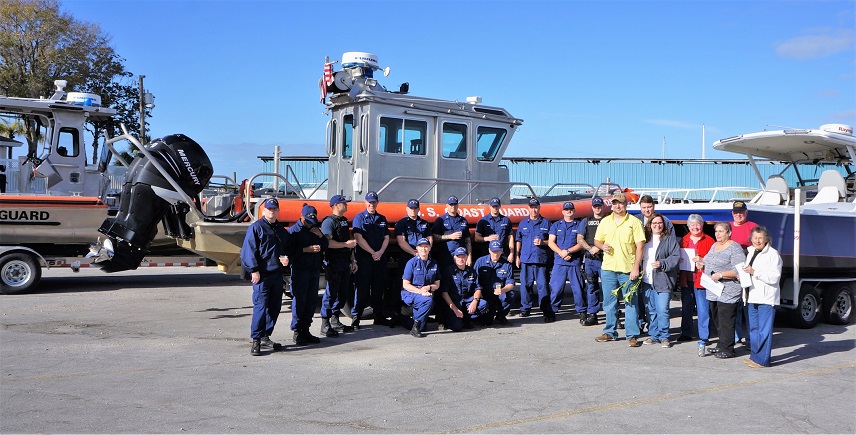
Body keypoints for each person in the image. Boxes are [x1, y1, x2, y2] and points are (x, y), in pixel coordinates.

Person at [593, 192, 646, 347]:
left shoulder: (634, 222)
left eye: (621, 203)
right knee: (609, 303)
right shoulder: (605, 222)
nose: (618, 206)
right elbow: (596, 240)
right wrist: (602, 246)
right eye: (615, 203)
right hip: (608, 268)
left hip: (627, 270)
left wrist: (636, 267)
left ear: (626, 205)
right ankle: (610, 332)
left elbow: (640, 246)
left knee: (630, 303)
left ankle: (632, 335)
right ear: (611, 205)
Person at [240, 198, 290, 356]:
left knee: (274, 307)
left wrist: (286, 259)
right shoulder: (256, 227)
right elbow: (248, 251)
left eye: (274, 209)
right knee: (260, 308)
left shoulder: (281, 230)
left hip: (276, 275)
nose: (272, 211)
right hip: (262, 275)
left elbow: (286, 249)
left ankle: (265, 336)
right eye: (269, 209)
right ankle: (256, 340)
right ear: (263, 210)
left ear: (278, 211)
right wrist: (254, 270)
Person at [696, 222, 745, 358]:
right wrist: (701, 263)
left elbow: (739, 269)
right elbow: (708, 260)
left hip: (728, 290)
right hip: (713, 289)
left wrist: (721, 274)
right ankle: (721, 345)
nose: (717, 234)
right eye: (716, 231)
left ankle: (728, 349)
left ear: (729, 233)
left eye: (721, 231)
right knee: (717, 319)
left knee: (726, 320)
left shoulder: (735, 248)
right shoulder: (714, 245)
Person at [633, 195, 674, 332]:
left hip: (659, 272)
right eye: (644, 207)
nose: (647, 210)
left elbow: (672, 246)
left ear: (654, 206)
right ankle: (641, 323)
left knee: (658, 306)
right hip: (640, 267)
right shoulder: (636, 220)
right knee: (642, 299)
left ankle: (661, 333)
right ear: (640, 208)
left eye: (649, 207)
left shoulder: (665, 222)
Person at [743, 226, 782, 368]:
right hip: (752, 296)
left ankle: (763, 360)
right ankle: (754, 356)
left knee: (764, 331)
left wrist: (755, 272)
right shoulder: (751, 252)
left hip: (766, 298)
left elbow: (774, 277)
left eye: (760, 238)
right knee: (753, 329)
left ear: (766, 239)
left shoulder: (773, 254)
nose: (757, 241)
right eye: (755, 237)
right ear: (751, 239)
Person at [288, 203, 327, 345]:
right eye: (308, 221)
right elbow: (289, 253)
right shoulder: (294, 232)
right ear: (301, 217)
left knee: (311, 302)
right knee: (299, 303)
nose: (311, 224)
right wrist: (306, 250)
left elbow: (325, 245)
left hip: (314, 270)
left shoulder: (315, 229)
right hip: (300, 271)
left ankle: (306, 330)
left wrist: (320, 235)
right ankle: (297, 333)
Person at [319, 194, 357, 337]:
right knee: (331, 294)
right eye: (343, 203)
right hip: (333, 263)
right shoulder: (329, 222)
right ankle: (325, 324)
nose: (346, 205)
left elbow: (349, 244)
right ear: (336, 205)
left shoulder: (343, 221)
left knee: (342, 294)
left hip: (345, 262)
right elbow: (328, 243)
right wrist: (345, 245)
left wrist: (353, 260)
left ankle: (335, 321)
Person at [640, 213, 681, 347]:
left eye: (660, 223)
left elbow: (675, 257)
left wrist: (662, 263)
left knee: (662, 309)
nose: (657, 225)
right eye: (654, 223)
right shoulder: (644, 240)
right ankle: (654, 335)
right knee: (651, 310)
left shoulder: (669, 239)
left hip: (663, 279)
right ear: (649, 225)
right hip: (647, 280)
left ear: (664, 225)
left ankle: (665, 336)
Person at [352, 190, 390, 328]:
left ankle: (378, 316)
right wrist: (373, 252)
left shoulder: (382, 218)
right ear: (365, 202)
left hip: (379, 259)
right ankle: (356, 317)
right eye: (369, 202)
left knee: (378, 289)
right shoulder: (359, 218)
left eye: (374, 202)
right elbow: (358, 238)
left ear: (377, 203)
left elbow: (386, 237)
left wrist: (380, 252)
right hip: (365, 259)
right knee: (362, 288)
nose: (371, 204)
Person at [394, 198, 433, 325]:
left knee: (423, 282)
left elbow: (429, 238)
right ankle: (400, 314)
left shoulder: (425, 223)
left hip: (423, 258)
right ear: (407, 209)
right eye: (411, 208)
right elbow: (401, 241)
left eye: (415, 208)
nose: (413, 210)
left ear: (418, 209)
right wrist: (414, 253)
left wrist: (426, 251)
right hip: (408, 258)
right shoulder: (402, 223)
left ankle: (420, 314)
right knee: (405, 285)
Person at [678, 214, 715, 344]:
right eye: (692, 225)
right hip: (686, 279)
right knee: (686, 308)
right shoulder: (683, 240)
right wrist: (679, 260)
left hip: (702, 279)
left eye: (697, 224)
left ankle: (704, 336)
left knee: (703, 309)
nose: (695, 227)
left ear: (702, 225)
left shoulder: (710, 240)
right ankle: (686, 333)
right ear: (688, 226)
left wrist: (703, 260)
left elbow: (715, 261)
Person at [546, 201, 585, 323]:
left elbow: (581, 243)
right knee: (556, 289)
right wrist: (561, 253)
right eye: (566, 209)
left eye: (571, 209)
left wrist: (568, 251)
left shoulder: (579, 225)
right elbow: (551, 242)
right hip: (559, 262)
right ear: (563, 211)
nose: (569, 211)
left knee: (578, 289)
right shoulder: (556, 225)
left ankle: (582, 312)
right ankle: (552, 311)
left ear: (574, 211)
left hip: (574, 261)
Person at [515, 198, 551, 318]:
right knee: (525, 285)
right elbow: (518, 240)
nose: (534, 209)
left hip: (541, 260)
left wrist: (543, 242)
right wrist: (517, 255)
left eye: (536, 207)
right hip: (526, 259)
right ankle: (525, 308)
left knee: (543, 285)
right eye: (532, 207)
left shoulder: (546, 223)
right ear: (528, 208)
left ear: (539, 208)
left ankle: (545, 308)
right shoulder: (523, 223)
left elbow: (552, 241)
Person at [441, 246, 489, 331]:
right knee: (457, 327)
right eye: (458, 257)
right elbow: (444, 293)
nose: (461, 259)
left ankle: (467, 319)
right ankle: (455, 320)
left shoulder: (471, 271)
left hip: (467, 301)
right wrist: (455, 310)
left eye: (463, 257)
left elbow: (478, 288)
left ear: (466, 257)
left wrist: (475, 301)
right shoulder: (448, 271)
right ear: (454, 258)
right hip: (454, 303)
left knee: (483, 304)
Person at [401, 238, 442, 337]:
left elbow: (437, 284)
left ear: (430, 248)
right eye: (421, 247)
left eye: (426, 246)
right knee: (428, 301)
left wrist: (428, 287)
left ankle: (404, 319)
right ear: (417, 249)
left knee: (423, 328)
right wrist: (420, 291)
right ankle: (414, 327)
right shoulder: (411, 263)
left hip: (425, 293)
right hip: (411, 293)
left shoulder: (434, 263)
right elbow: (405, 284)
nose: (424, 249)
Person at [731, 200, 757, 345]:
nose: (738, 215)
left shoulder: (753, 227)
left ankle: (750, 339)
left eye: (741, 212)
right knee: (735, 307)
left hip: (748, 272)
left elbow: (759, 247)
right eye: (736, 212)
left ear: (746, 213)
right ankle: (735, 337)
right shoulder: (728, 227)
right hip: (732, 273)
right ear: (732, 213)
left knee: (748, 307)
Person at [576, 197, 606, 326]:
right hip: (590, 260)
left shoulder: (608, 220)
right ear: (592, 207)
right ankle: (592, 314)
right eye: (595, 206)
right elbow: (579, 239)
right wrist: (590, 248)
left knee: (609, 288)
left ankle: (613, 315)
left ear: (602, 207)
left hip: (606, 259)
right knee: (591, 287)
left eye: (599, 206)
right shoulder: (586, 221)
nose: (597, 208)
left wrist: (598, 247)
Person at [474, 240, 517, 326]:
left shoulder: (506, 264)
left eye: (498, 251)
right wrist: (478, 293)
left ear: (502, 251)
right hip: (484, 293)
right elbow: (474, 281)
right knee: (487, 322)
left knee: (511, 295)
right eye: (493, 251)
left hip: (499, 293)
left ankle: (500, 316)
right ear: (489, 250)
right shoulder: (480, 262)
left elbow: (511, 283)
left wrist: (503, 290)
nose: (495, 254)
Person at [432, 195, 471, 269]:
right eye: (451, 204)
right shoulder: (440, 220)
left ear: (458, 206)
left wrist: (469, 256)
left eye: (455, 204)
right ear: (447, 205)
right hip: (445, 256)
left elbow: (467, 241)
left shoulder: (463, 221)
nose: (453, 206)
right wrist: (450, 236)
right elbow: (434, 238)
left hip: (460, 256)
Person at [475, 197, 515, 263]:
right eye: (493, 206)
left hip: (502, 254)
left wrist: (512, 253)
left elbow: (510, 238)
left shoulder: (506, 220)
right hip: (488, 254)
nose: (495, 208)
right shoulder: (483, 221)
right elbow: (476, 238)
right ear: (490, 206)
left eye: (497, 206)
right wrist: (487, 238)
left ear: (500, 206)